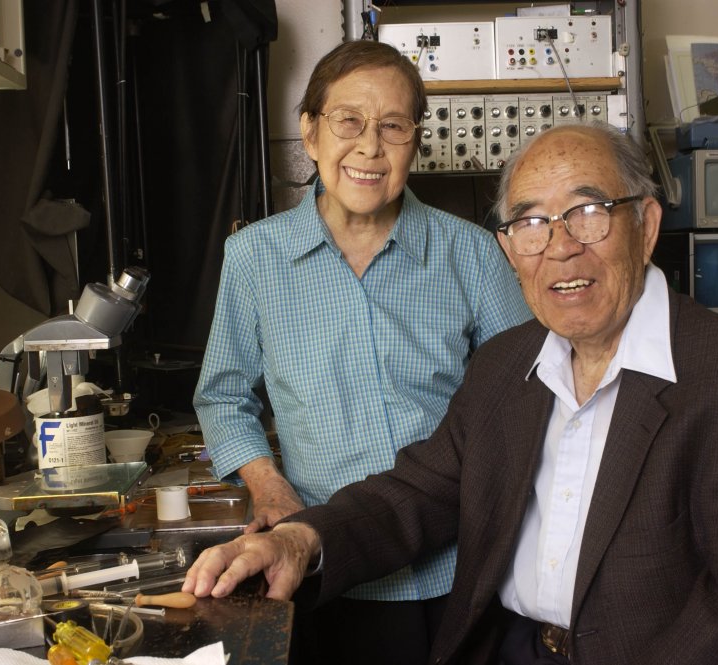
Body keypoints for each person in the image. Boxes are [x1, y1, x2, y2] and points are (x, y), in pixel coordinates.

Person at [185, 121, 718, 665]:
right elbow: (419, 491)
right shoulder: (506, 366)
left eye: (589, 213)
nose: (561, 248)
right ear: (509, 249)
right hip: (506, 648)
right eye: (532, 224)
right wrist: (299, 540)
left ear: (647, 224)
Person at [192, 40, 531, 665]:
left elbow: (525, 400)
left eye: (394, 126)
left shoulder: (474, 255)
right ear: (311, 132)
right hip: (322, 561)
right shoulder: (254, 258)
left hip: (460, 565)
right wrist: (267, 485)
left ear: (415, 141)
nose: (370, 147)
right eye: (349, 121)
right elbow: (222, 396)